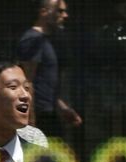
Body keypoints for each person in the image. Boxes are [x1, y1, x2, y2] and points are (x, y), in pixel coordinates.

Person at [16, 0, 82, 137]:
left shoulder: (46, 41)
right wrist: (30, 123)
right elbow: (26, 82)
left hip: (49, 116)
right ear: (44, 12)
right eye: (59, 10)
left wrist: (63, 108)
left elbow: (44, 85)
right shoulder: (33, 40)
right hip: (39, 118)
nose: (65, 15)